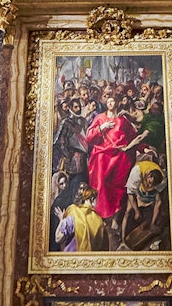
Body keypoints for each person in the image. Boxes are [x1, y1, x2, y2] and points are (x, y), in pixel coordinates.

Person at [86, 90, 147, 221]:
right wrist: (102, 127)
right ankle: (101, 212)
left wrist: (143, 148)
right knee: (101, 177)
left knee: (120, 178)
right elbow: (89, 136)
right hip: (102, 154)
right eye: (108, 101)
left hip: (119, 155)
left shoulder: (122, 120)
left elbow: (133, 136)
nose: (110, 103)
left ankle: (116, 213)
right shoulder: (100, 118)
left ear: (117, 103)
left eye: (112, 101)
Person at [55, 183, 108, 252]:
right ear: (92, 199)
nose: (97, 202)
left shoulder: (74, 213)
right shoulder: (99, 220)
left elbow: (58, 238)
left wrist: (61, 220)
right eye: (96, 199)